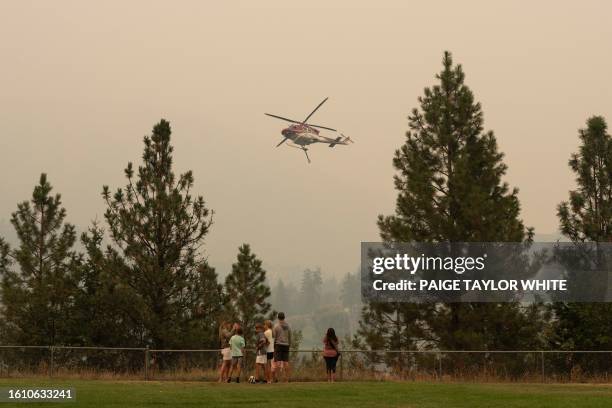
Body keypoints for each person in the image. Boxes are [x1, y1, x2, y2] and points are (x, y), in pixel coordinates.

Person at [273, 312, 291, 382]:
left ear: (278, 317)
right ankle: (287, 379)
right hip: (286, 345)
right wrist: (289, 344)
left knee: (278, 362)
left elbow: (274, 336)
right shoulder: (288, 326)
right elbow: (290, 336)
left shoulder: (276, 326)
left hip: (278, 345)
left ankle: (277, 378)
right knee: (286, 362)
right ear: (284, 317)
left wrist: (274, 345)